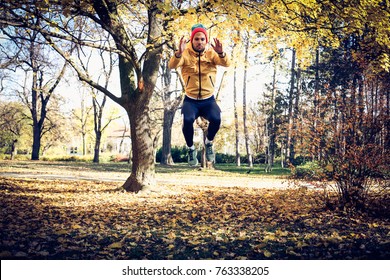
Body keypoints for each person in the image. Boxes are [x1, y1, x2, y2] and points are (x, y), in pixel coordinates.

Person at [168, 23, 230, 166]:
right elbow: (172, 65)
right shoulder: (185, 54)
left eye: (202, 39)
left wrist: (221, 53)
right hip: (191, 100)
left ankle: (208, 143)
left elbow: (226, 63)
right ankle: (191, 149)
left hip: (208, 100)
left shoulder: (211, 53)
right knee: (187, 120)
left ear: (206, 40)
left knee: (217, 118)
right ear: (192, 40)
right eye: (196, 39)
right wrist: (178, 53)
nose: (199, 42)